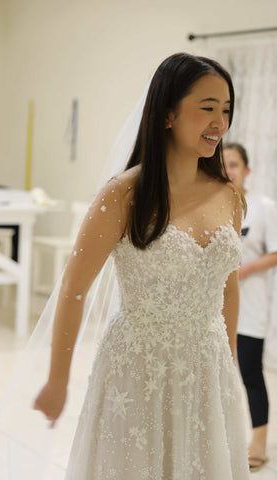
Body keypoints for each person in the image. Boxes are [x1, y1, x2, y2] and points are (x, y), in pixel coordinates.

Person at [33, 53, 250, 479]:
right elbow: (74, 289)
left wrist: (232, 367)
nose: (219, 123)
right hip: (138, 368)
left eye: (226, 110)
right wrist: (57, 380)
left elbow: (228, 286)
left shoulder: (229, 196)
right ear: (168, 114)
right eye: (207, 108)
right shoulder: (122, 195)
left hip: (208, 366)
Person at [223, 142, 277, 472]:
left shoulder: (264, 206)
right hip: (216, 306)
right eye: (223, 164)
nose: (228, 169)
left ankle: (258, 443)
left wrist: (245, 269)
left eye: (233, 164)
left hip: (252, 305)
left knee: (250, 373)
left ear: (246, 170)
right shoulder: (213, 204)